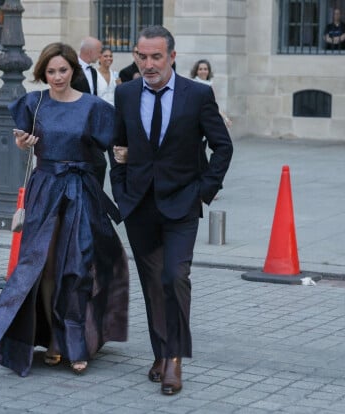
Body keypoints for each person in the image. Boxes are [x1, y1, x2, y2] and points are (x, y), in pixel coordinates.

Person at [0, 42, 129, 378]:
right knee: (42, 269)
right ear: (42, 73)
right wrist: (22, 144)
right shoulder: (33, 104)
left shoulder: (93, 107)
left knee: (77, 267)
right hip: (45, 189)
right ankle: (51, 341)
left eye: (63, 70)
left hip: (79, 191)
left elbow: (114, 149)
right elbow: (23, 140)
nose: (58, 76)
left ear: (73, 71)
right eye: (51, 71)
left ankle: (75, 344)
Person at [110, 26, 233, 396]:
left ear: (172, 57)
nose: (148, 64)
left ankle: (174, 359)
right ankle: (160, 352)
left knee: (175, 277)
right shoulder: (126, 94)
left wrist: (202, 193)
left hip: (181, 204)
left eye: (156, 57)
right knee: (151, 283)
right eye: (142, 57)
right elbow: (117, 146)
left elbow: (222, 147)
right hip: (139, 206)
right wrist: (121, 189)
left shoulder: (198, 95)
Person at [71, 36, 108, 188]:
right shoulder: (71, 69)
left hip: (91, 126)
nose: (100, 56)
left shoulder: (93, 72)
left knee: (99, 164)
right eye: (99, 52)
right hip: (75, 125)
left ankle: (93, 196)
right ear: (91, 51)